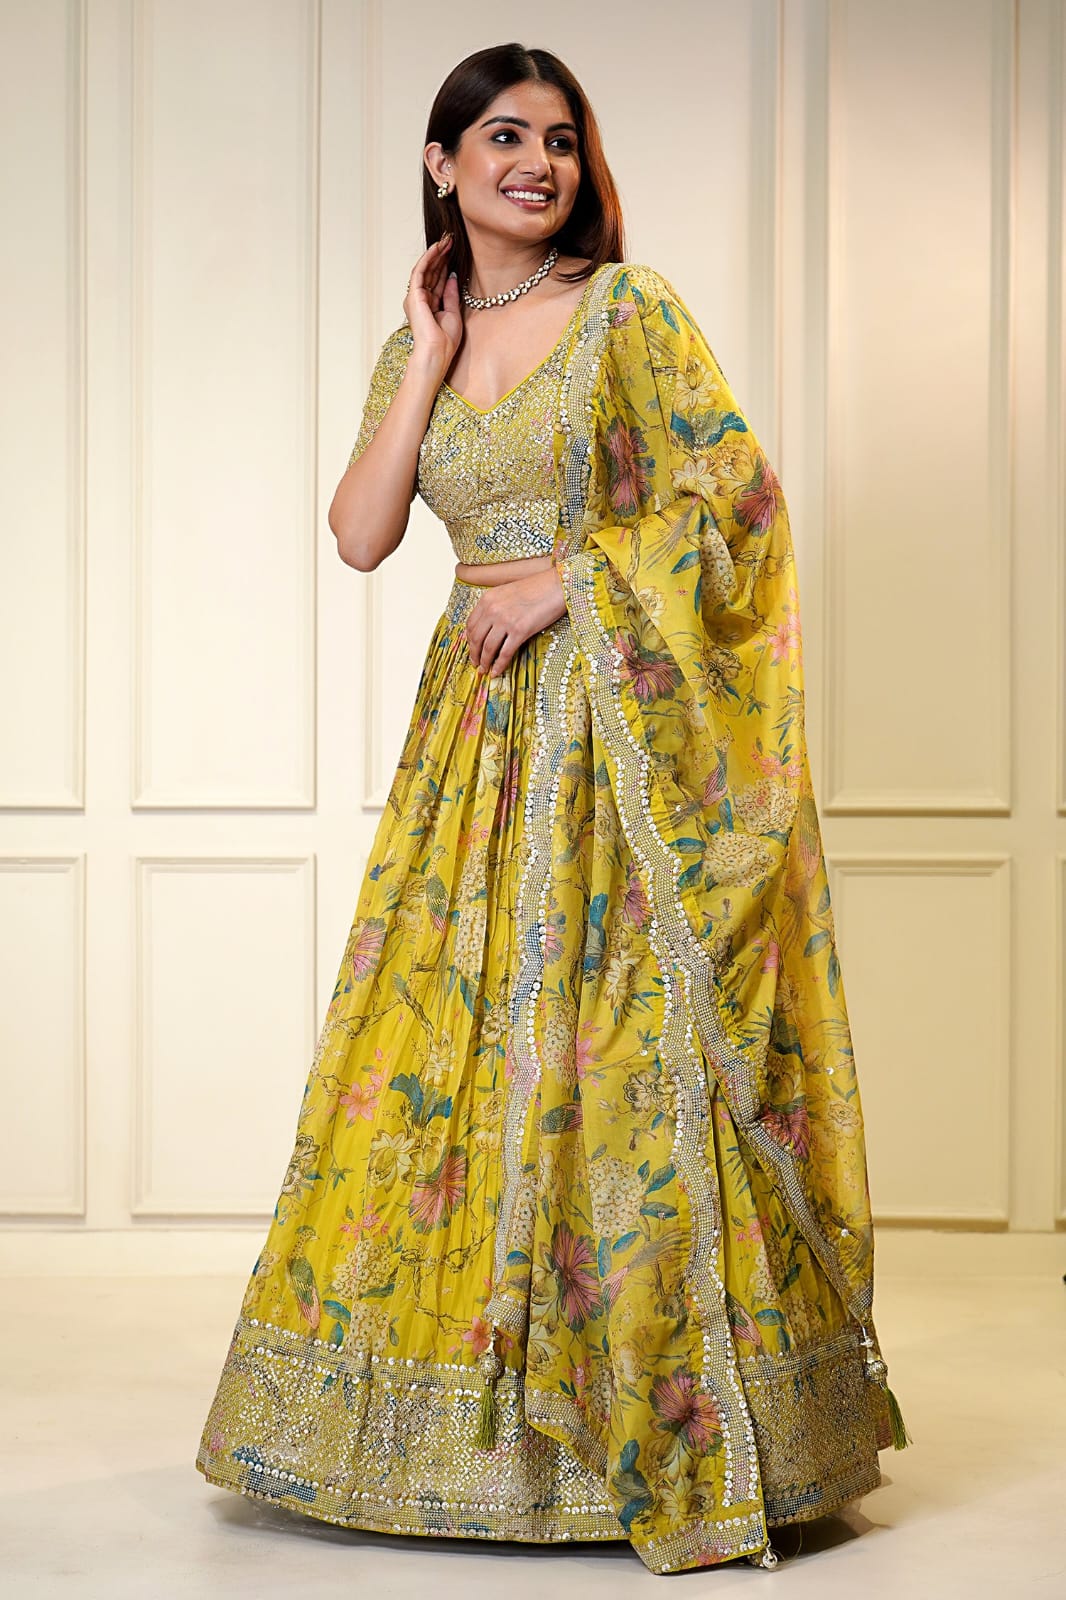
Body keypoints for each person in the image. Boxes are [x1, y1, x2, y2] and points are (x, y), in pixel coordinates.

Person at [195, 41, 909, 1576]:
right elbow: (362, 534)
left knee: (623, 1059)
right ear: (442, 162)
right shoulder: (423, 342)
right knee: (449, 1052)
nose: (538, 163)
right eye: (505, 137)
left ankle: (673, 1426)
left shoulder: (628, 312)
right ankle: (452, 1430)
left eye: (562, 142)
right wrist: (424, 346)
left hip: (621, 745)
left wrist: (575, 580)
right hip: (474, 755)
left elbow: (735, 505)